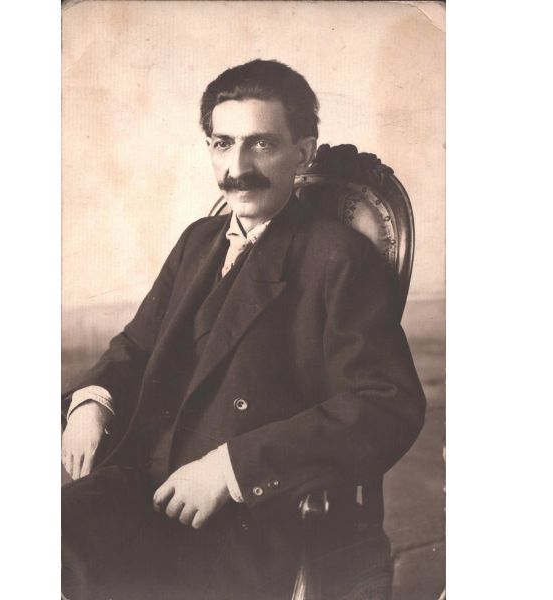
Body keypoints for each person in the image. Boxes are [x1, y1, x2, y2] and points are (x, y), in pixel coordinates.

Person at [61, 59, 426, 600]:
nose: (238, 167)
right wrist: (92, 402)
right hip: (144, 485)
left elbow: (386, 404)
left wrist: (230, 470)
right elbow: (136, 346)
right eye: (223, 144)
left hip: (244, 519)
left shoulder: (338, 257)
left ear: (302, 152)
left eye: (262, 144)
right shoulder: (198, 241)